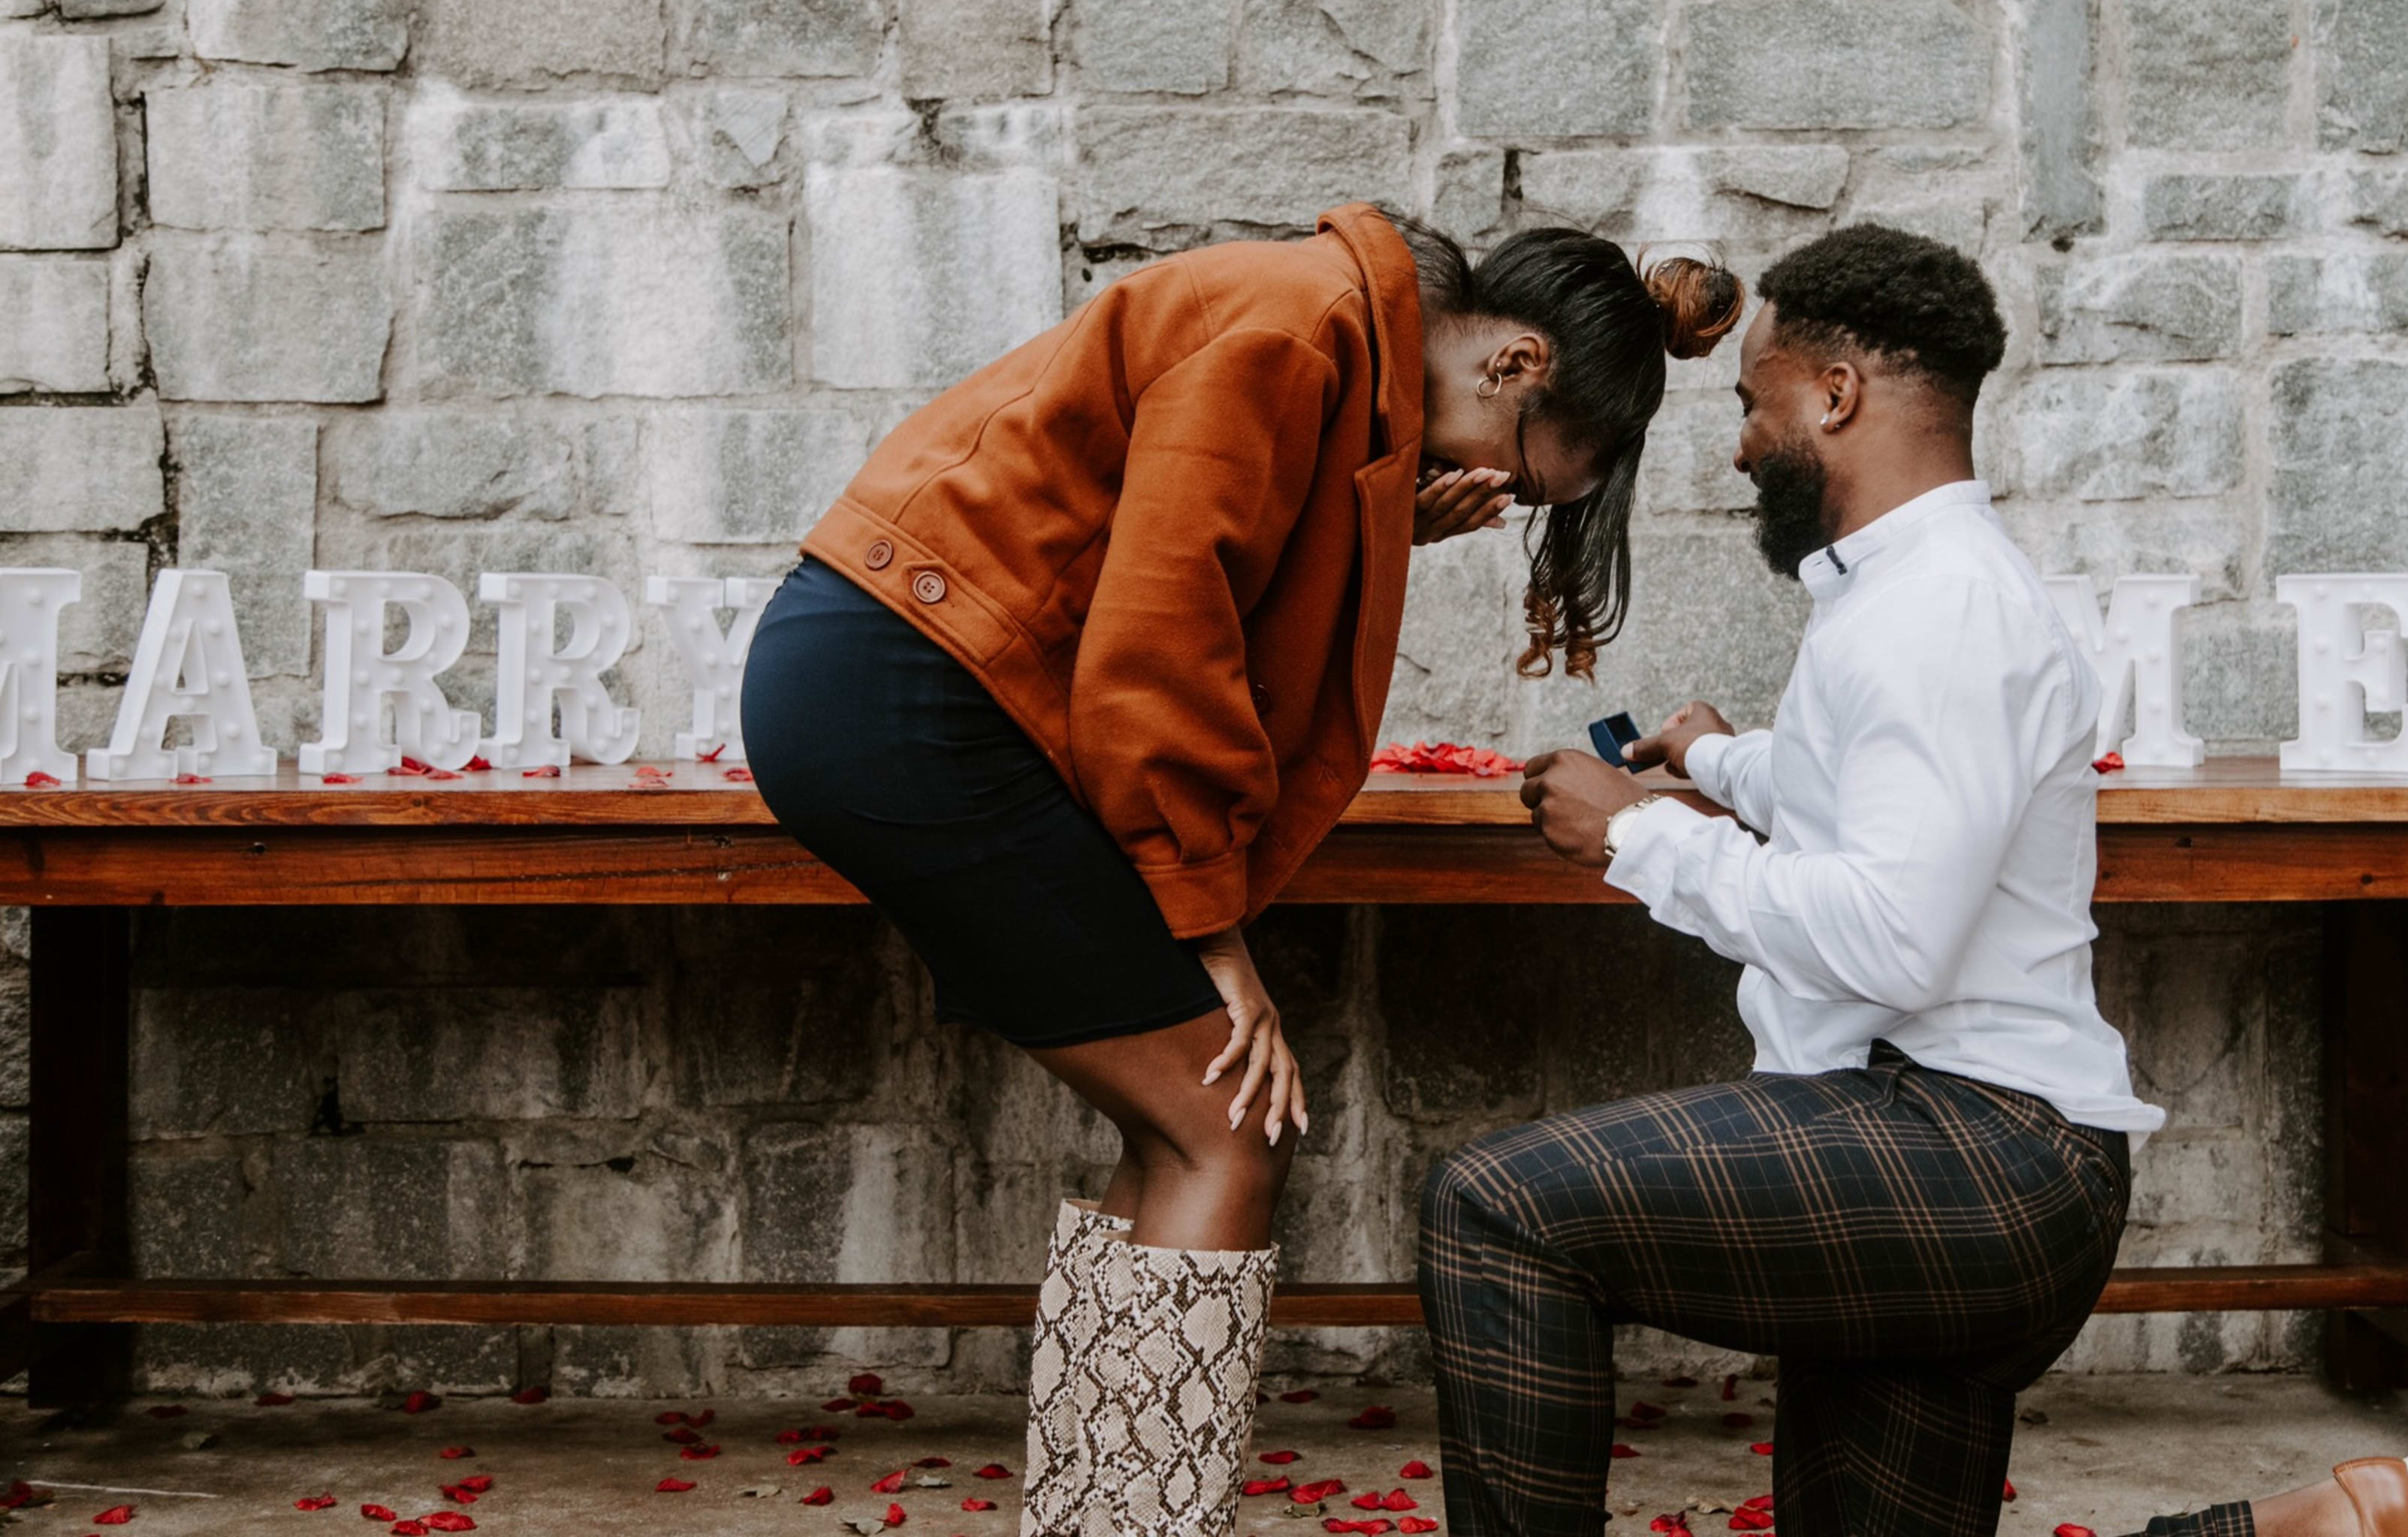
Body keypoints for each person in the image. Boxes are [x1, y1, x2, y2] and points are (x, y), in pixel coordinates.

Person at [738, 202, 1743, 1537]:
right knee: (1231, 1119)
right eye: (1523, 481)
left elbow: (1195, 560)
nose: (1502, 502)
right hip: (914, 688)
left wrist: (1389, 519)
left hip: (915, 680)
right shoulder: (1301, 327)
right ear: (1514, 364)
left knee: (1182, 1124)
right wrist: (1214, 940)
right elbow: (1162, 640)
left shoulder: (1324, 343)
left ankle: (1103, 1518)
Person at [1431, 225, 2408, 1537]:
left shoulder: (1942, 609)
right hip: (1946, 1146)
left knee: (1498, 1211)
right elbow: (1884, 807)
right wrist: (1722, 763)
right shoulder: (1901, 594)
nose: (1741, 444)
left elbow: (1893, 937)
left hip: (1976, 1158)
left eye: (1753, 404)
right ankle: (2317, 1528)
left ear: (1836, 396)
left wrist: (1636, 838)